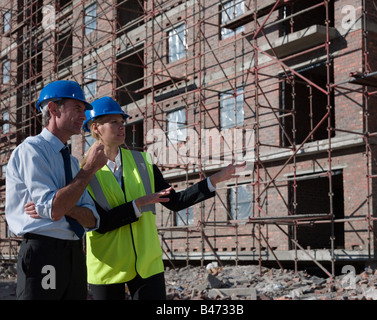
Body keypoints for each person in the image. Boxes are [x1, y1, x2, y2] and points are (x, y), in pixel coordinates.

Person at [81, 96, 246, 300]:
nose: (122, 126)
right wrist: (138, 204)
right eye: (114, 122)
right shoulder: (83, 172)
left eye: (122, 122)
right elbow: (100, 223)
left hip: (147, 265)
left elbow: (175, 202)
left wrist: (215, 179)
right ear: (96, 128)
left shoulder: (142, 163)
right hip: (108, 267)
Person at [5, 80, 108, 300]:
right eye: (77, 108)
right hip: (44, 251)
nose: (84, 116)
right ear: (53, 109)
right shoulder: (31, 151)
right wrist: (87, 170)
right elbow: (54, 209)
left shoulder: (71, 162)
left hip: (74, 252)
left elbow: (91, 220)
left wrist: (64, 206)